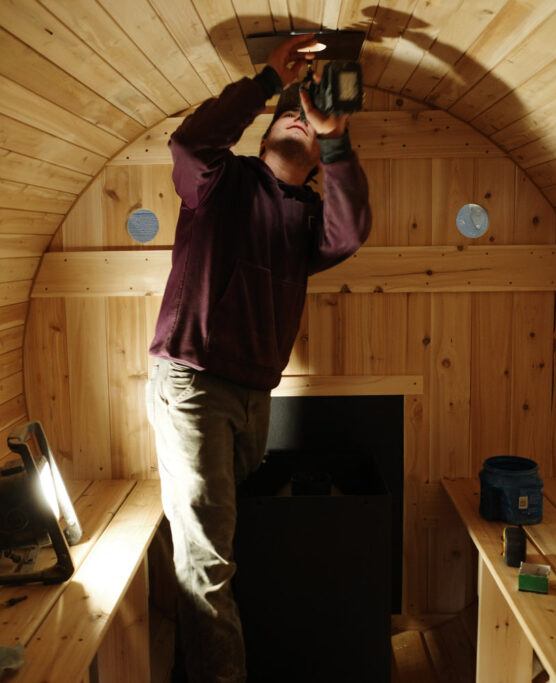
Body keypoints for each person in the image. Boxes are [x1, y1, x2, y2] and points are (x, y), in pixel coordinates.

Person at [145, 34, 371, 682]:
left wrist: (337, 138)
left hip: (253, 396)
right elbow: (188, 144)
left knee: (228, 541)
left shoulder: (308, 222)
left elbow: (351, 230)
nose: (299, 114)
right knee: (208, 558)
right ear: (265, 131)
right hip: (191, 380)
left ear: (319, 160)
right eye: (288, 113)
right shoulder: (220, 182)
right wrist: (268, 81)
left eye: (309, 114)